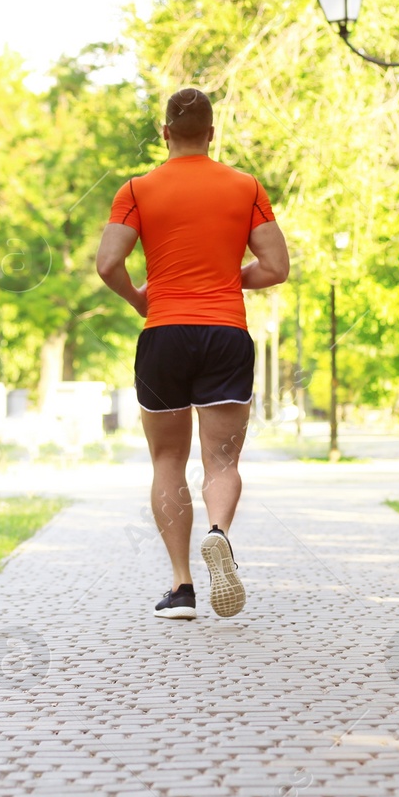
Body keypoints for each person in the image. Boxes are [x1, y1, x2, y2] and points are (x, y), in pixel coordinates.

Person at [94, 88, 291, 620]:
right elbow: (275, 267)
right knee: (222, 459)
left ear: (164, 133)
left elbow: (109, 263)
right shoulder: (246, 187)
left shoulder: (136, 189)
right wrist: (229, 279)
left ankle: (182, 588)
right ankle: (218, 533)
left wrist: (142, 298)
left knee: (167, 460)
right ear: (211, 134)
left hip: (164, 336)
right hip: (225, 333)